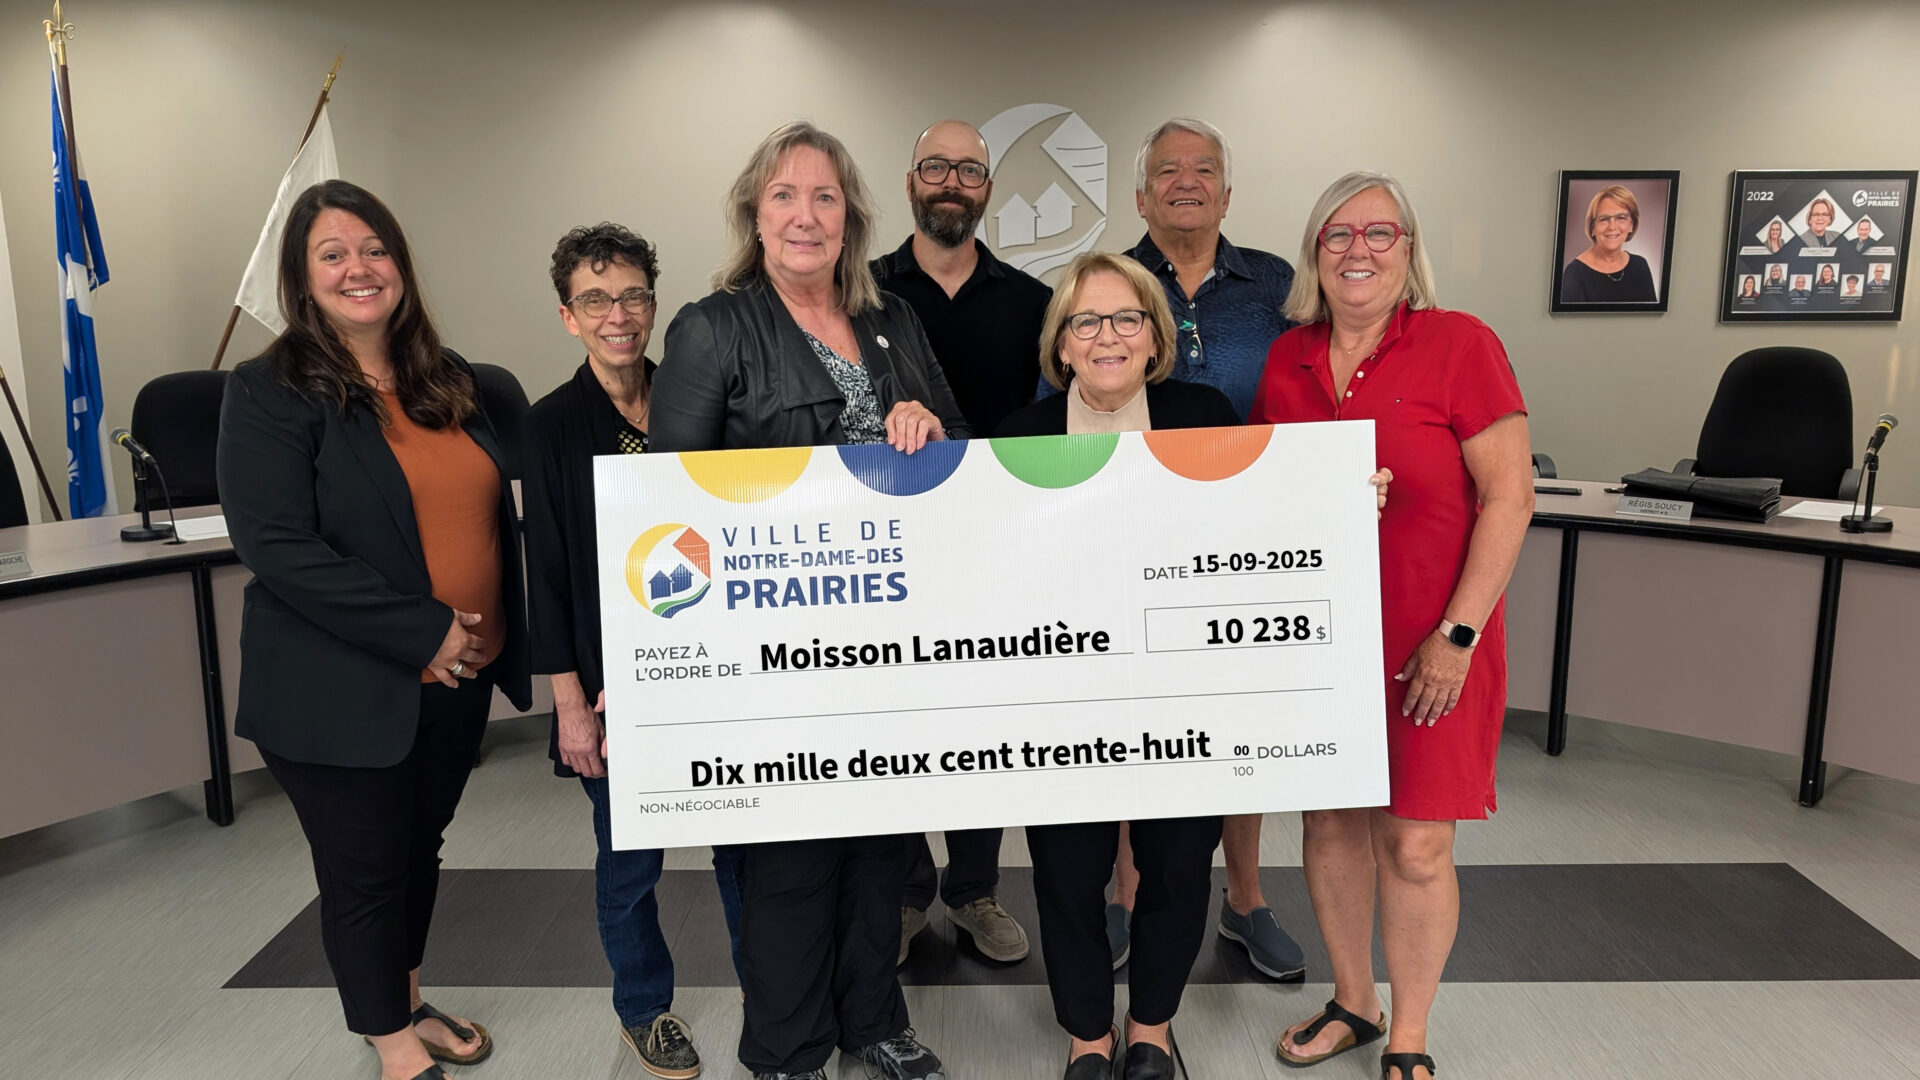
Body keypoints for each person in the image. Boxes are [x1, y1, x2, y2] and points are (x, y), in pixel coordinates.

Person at [1001, 251, 1387, 1080]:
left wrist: (1344, 499)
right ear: (1061, 345)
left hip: (1188, 698)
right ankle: (1086, 1036)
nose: (1108, 337)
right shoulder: (1018, 439)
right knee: (1069, 877)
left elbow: (1265, 523)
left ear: (1156, 337)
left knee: (1178, 869)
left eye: (1128, 319)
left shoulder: (1204, 414)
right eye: (1086, 322)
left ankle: (1150, 1029)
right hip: (1063, 700)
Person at [652, 120, 967, 1080]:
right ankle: (789, 1047)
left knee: (883, 848)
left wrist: (928, 424)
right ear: (756, 211)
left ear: (851, 218)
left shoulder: (893, 321)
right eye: (785, 195)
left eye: (824, 197)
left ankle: (873, 1020)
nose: (805, 214)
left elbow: (960, 445)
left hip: (891, 636)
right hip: (772, 649)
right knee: (791, 862)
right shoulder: (713, 328)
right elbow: (668, 503)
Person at [216, 179, 532, 1080]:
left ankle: (407, 997)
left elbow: (499, 510)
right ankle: (392, 1045)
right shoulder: (269, 390)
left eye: (374, 249)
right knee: (363, 869)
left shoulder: (450, 380)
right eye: (332, 254)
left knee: (417, 849)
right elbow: (276, 546)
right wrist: (422, 632)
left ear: (400, 265)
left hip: (462, 677)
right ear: (302, 278)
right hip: (340, 690)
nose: (359, 268)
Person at [1251, 171, 1533, 1080]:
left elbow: (1510, 498)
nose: (1358, 250)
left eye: (1381, 232)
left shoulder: (1462, 345)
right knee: (1330, 824)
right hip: (1322, 641)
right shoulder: (1286, 358)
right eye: (1337, 235)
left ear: (1410, 251)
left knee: (1415, 841)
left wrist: (1458, 636)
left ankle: (1409, 1031)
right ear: (1314, 254)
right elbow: (1264, 492)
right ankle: (1354, 1001)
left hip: (1433, 642)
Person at [521, 222, 747, 1078]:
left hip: (712, 671)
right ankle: (643, 1008)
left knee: (742, 854)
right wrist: (569, 704)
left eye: (632, 296)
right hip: (614, 691)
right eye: (595, 300)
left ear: (653, 303)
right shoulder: (548, 426)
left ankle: (770, 990)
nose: (618, 315)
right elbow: (545, 572)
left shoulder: (698, 396)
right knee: (629, 866)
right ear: (567, 316)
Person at [1089, 115, 1306, 985]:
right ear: (1141, 195)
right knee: (1128, 727)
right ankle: (1127, 895)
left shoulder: (1279, 285)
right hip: (1125, 539)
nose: (1187, 181)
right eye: (1167, 171)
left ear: (1226, 191)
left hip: (1245, 539)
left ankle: (1246, 901)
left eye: (1204, 169)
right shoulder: (1107, 281)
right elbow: (1059, 396)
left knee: (1237, 728)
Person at [870, 119, 1047, 968]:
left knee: (984, 725)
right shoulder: (857, 293)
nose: (951, 181)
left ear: (987, 188)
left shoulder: (1032, 300)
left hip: (997, 550)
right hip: (887, 552)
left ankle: (973, 888)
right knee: (901, 724)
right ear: (910, 180)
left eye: (969, 170)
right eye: (935, 165)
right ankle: (907, 891)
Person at [1559, 185, 1657, 303]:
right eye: (1604, 219)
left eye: (1621, 217)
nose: (1612, 227)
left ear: (1631, 225)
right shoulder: (1574, 273)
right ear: (1592, 228)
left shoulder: (1640, 265)